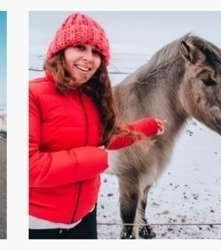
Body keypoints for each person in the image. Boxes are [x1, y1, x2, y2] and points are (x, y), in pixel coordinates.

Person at [28, 12, 166, 239]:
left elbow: (106, 139)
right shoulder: (32, 94)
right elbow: (29, 166)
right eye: (80, 47)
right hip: (39, 225)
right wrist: (99, 158)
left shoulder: (93, 96)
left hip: (86, 217)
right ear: (60, 52)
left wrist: (147, 126)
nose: (89, 58)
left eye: (96, 52)